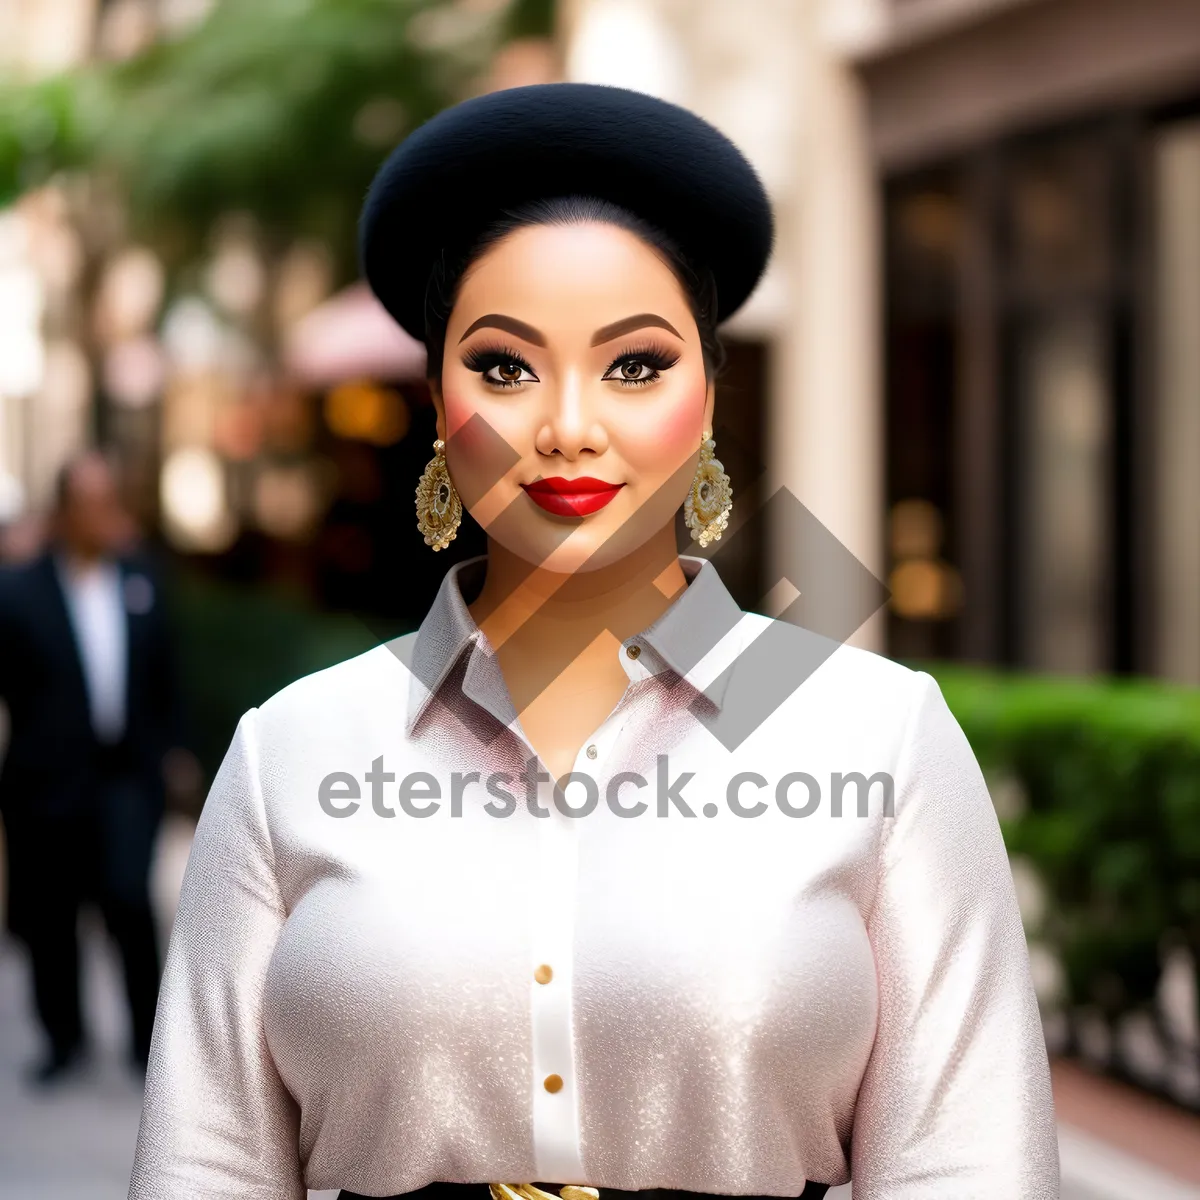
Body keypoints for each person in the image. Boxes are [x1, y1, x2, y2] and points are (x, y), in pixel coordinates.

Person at [129, 84, 1059, 1199]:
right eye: (504, 367)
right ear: (434, 402)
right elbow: (207, 1162)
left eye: (635, 365)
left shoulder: (879, 737)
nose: (569, 424)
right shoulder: (291, 752)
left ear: (709, 395)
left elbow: (968, 1166)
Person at [0, 448, 185, 1084]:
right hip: (46, 781)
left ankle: (146, 1043)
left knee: (130, 900)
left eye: (110, 501)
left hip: (127, 776)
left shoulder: (141, 579)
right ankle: (64, 1040)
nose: (103, 516)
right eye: (89, 503)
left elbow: (165, 674)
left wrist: (171, 753)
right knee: (53, 916)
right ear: (63, 511)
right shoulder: (18, 591)